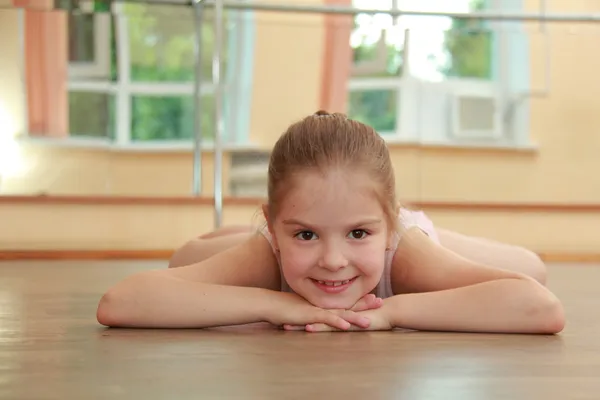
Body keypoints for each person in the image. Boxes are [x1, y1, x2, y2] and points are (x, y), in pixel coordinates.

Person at [96, 111, 565, 334]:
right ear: (274, 226)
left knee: (533, 267)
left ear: (386, 222)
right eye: (305, 233)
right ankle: (249, 235)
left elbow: (540, 306)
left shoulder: (403, 252)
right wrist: (275, 304)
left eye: (358, 233)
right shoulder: (267, 250)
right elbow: (120, 303)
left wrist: (392, 311)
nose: (334, 261)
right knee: (189, 254)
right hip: (262, 242)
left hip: (417, 236)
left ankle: (394, 225)